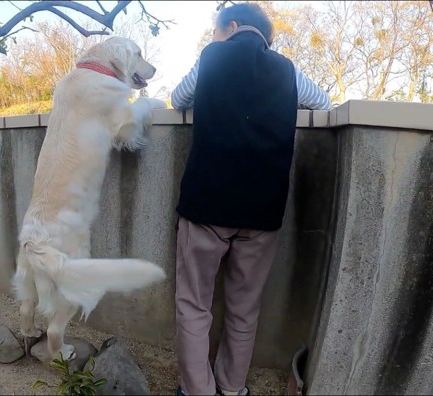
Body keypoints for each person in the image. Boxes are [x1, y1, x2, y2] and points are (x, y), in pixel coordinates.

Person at [169, 3, 331, 396]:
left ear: (233, 26)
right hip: (263, 213)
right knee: (244, 310)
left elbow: (178, 98)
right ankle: (232, 388)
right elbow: (322, 102)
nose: (213, 39)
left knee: (194, 305)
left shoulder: (211, 57)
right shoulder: (287, 69)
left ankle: (197, 391)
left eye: (215, 31)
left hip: (206, 206)